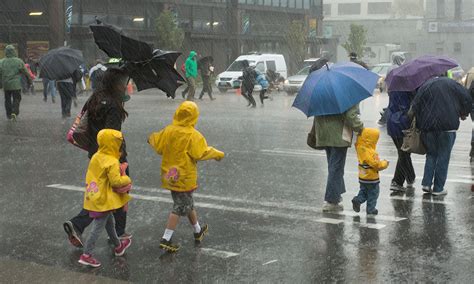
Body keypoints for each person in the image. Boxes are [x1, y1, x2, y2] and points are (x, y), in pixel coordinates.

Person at [63, 68, 132, 247]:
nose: (126, 85)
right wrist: (120, 158)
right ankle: (118, 232)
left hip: (95, 153)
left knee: (99, 193)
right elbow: (112, 135)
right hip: (112, 156)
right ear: (116, 84)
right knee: (119, 189)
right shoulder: (113, 105)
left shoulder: (94, 98)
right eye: (124, 82)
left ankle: (78, 225)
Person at [148, 101, 225, 253]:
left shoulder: (168, 130)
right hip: (184, 177)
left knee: (186, 203)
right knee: (179, 207)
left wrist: (151, 139)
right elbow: (200, 153)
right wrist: (217, 154)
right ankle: (166, 238)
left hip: (170, 175)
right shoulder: (193, 135)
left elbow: (158, 144)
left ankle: (197, 231)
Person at [78, 129, 132, 267]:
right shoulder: (112, 161)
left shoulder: (96, 156)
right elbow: (116, 182)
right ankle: (86, 254)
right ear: (115, 144)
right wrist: (126, 177)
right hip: (105, 199)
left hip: (93, 194)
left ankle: (119, 246)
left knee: (109, 223)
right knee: (97, 227)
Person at [410, 76, 471, 195]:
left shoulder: (425, 86)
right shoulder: (453, 84)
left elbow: (416, 105)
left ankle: (426, 183)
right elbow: (467, 98)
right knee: (443, 156)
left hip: (428, 127)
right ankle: (438, 188)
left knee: (431, 154)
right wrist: (464, 112)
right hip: (448, 127)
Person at [310, 104, 364, 212]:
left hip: (324, 134)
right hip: (339, 135)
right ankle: (331, 201)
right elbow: (351, 116)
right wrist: (361, 127)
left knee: (333, 167)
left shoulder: (323, 92)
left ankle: (336, 194)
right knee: (336, 169)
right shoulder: (349, 94)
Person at [352, 128, 389, 215]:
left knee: (364, 191)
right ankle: (371, 209)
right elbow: (376, 165)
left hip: (362, 177)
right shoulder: (371, 152)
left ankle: (358, 200)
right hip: (371, 178)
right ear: (371, 140)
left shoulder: (360, 148)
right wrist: (385, 163)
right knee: (373, 194)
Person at [386, 91, 416, 192]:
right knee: (404, 152)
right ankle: (397, 181)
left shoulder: (393, 88)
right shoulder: (411, 89)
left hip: (391, 121)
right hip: (403, 122)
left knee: (403, 152)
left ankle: (410, 177)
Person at [0, 45, 31, 121]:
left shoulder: (1, 62)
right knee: (17, 99)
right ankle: (15, 112)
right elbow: (26, 72)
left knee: (7, 100)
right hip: (16, 85)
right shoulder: (18, 61)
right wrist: (29, 80)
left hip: (6, 85)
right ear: (14, 51)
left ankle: (9, 114)